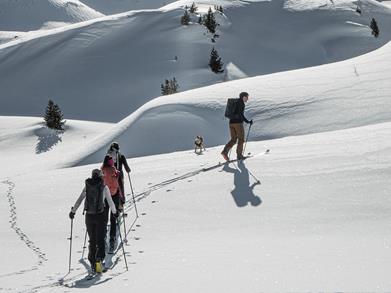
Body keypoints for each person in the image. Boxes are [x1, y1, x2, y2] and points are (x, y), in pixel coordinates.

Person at [69, 169, 118, 274]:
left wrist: (73, 211)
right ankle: (98, 262)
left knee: (92, 240)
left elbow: (79, 199)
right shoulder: (104, 187)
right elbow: (110, 202)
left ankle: (92, 263)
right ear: (101, 176)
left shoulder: (87, 186)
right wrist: (115, 212)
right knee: (100, 240)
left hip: (89, 217)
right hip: (101, 216)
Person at [221, 92, 253, 161]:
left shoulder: (235, 102)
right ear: (243, 97)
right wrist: (248, 121)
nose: (247, 99)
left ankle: (225, 151)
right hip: (238, 123)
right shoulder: (241, 103)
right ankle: (239, 155)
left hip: (231, 123)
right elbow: (241, 115)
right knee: (241, 139)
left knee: (233, 139)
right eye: (247, 97)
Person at [101, 155, 121, 253]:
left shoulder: (102, 170)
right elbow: (117, 177)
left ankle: (104, 238)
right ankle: (112, 240)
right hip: (114, 195)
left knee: (104, 219)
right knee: (113, 218)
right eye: (111, 161)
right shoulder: (113, 169)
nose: (112, 162)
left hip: (105, 196)